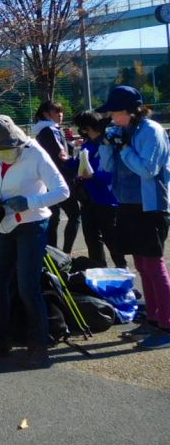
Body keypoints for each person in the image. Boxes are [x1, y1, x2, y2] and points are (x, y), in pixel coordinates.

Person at [0, 115, 70, 368]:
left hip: (32, 224)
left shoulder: (36, 154)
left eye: (7, 148)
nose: (3, 154)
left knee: (28, 285)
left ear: (17, 140)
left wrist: (31, 202)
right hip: (5, 223)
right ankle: (0, 337)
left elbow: (63, 190)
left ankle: (39, 343)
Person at [97, 85, 170, 349]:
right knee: (141, 264)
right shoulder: (124, 130)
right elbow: (106, 167)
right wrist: (108, 145)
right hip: (128, 204)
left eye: (114, 112)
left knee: (154, 265)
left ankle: (168, 324)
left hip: (151, 206)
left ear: (130, 110)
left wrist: (125, 147)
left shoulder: (151, 131)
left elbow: (148, 169)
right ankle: (153, 320)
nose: (111, 118)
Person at [72, 111, 126, 268]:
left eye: (82, 128)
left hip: (107, 199)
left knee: (111, 238)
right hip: (90, 198)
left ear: (87, 127)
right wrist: (68, 161)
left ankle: (122, 270)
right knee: (92, 238)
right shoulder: (88, 144)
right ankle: (100, 272)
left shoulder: (107, 145)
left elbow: (112, 174)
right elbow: (80, 165)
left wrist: (92, 176)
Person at [33, 100, 80, 251]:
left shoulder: (44, 130)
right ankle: (65, 252)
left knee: (53, 218)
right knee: (74, 215)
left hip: (48, 179)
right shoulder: (49, 130)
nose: (60, 115)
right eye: (56, 112)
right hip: (60, 179)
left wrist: (71, 144)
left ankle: (53, 252)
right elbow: (60, 155)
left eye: (61, 111)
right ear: (46, 114)